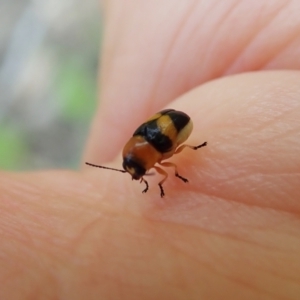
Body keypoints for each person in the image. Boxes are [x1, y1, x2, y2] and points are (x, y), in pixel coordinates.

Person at [1, 1, 300, 299]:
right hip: (165, 128)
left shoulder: (149, 157)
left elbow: (167, 163)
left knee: (175, 161)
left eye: (137, 171)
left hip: (177, 128)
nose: (136, 174)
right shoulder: (136, 151)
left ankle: (191, 154)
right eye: (136, 171)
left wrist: (175, 175)